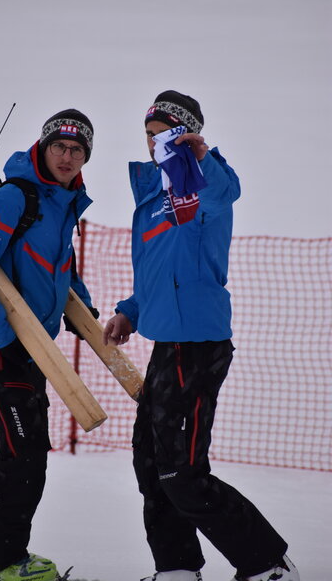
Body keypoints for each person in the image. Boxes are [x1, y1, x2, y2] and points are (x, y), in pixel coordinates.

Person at [103, 91, 300, 581]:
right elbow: (156, 270)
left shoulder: (203, 185)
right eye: (149, 136)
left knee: (181, 472)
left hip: (199, 346)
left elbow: (224, 193)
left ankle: (267, 565)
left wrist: (201, 154)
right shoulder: (150, 198)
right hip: (166, 345)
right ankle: (176, 569)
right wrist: (131, 311)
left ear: (185, 134)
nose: (154, 145)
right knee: (151, 465)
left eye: (165, 135)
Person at [0, 109, 98, 581]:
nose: (67, 156)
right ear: (44, 146)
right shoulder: (17, 198)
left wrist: (85, 313)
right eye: (60, 146)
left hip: (34, 347)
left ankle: (4, 557)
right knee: (24, 450)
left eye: (78, 150)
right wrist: (4, 337)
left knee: (30, 450)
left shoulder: (63, 203)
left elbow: (61, 269)